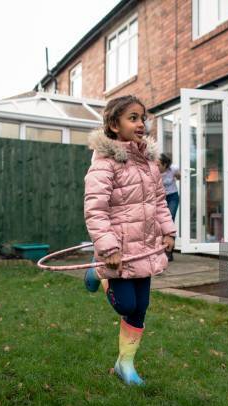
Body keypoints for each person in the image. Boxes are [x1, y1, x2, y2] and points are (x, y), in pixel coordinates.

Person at [82, 95, 176, 386]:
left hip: (145, 247)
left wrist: (168, 230)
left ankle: (126, 364)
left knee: (141, 306)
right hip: (118, 250)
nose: (140, 124)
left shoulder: (149, 162)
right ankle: (98, 270)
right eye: (133, 118)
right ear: (114, 124)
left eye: (142, 118)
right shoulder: (105, 164)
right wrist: (107, 248)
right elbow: (95, 209)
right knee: (125, 305)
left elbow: (160, 201)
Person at [157, 153, 180, 261]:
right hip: (160, 198)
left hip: (172, 197)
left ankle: (169, 252)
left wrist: (178, 176)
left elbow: (180, 176)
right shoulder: (154, 171)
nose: (157, 167)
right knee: (160, 223)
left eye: (159, 165)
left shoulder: (173, 169)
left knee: (170, 221)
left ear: (165, 165)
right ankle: (161, 250)